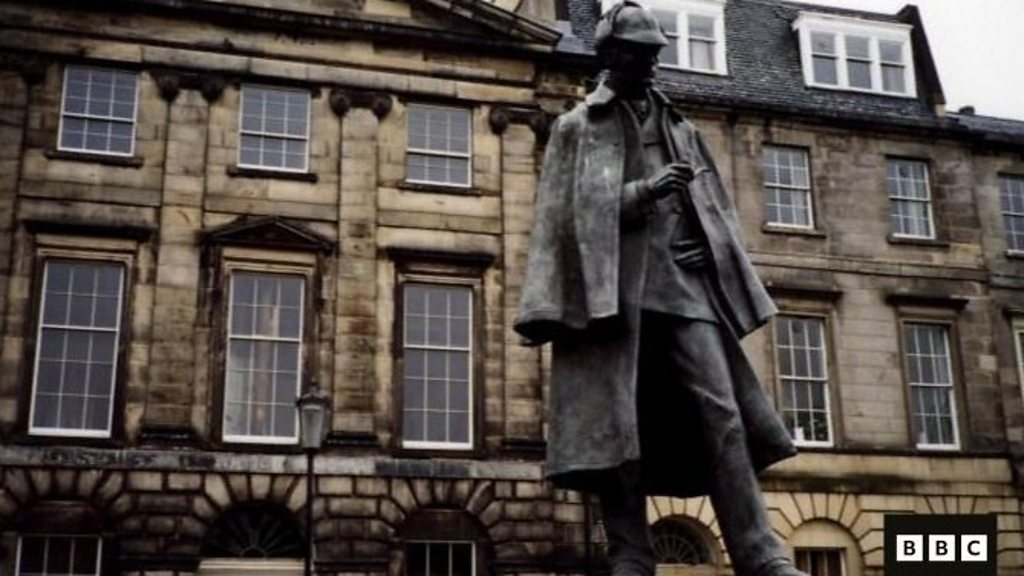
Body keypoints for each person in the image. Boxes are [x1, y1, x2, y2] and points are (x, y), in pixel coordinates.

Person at [514, 2, 808, 576]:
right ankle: (629, 552)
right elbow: (562, 216)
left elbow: (718, 210)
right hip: (610, 296)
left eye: (654, 54)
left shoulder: (682, 128)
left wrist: (708, 246)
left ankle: (761, 554)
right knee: (617, 426)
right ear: (611, 55)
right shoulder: (576, 127)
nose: (651, 64)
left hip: (684, 290)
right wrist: (644, 191)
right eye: (640, 54)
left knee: (723, 415)